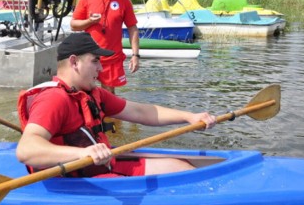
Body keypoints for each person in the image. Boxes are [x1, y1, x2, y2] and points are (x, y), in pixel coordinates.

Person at [16, 32, 216, 178]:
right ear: (74, 62)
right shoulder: (54, 99)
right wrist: (83, 153)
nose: (101, 68)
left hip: (101, 167)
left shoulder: (93, 94)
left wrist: (189, 117)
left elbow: (140, 111)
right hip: (76, 180)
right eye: (95, 61)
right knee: (181, 173)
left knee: (180, 167)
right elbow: (26, 150)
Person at [70, 0, 140, 94]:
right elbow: (73, 25)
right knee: (84, 93)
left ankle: (107, 115)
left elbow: (133, 29)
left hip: (112, 58)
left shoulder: (124, 1)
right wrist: (89, 21)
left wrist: (135, 55)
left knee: (109, 97)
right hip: (88, 56)